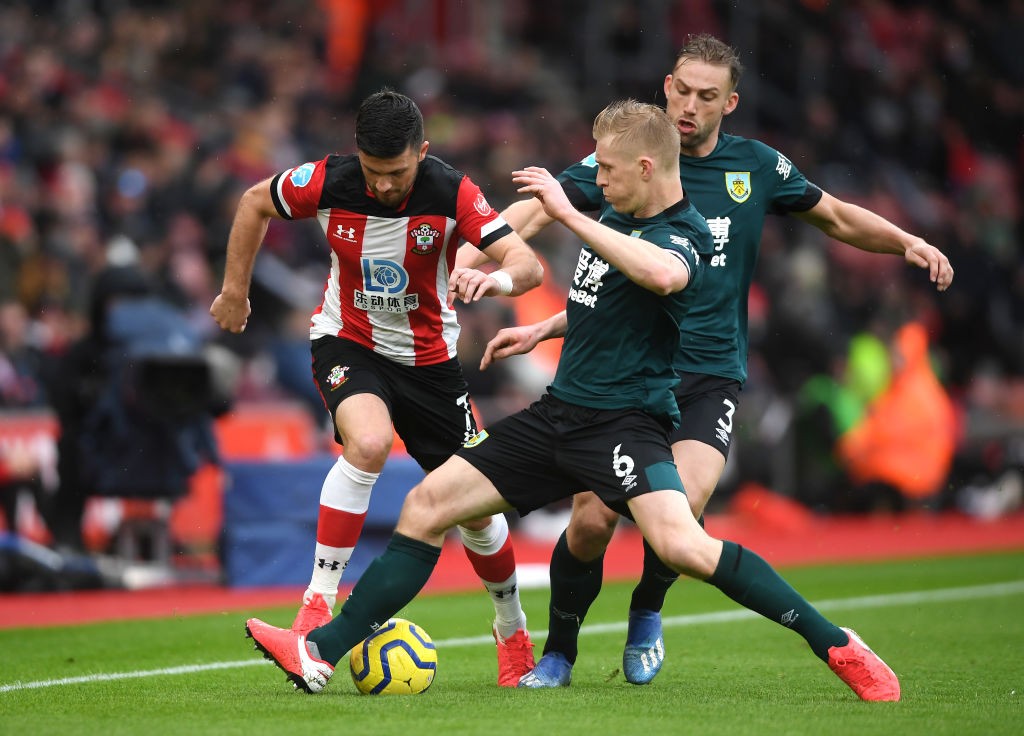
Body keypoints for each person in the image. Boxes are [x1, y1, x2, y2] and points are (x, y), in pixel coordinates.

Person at [244, 99, 902, 702]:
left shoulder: (686, 232)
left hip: (622, 425)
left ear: (647, 167)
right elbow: (608, 301)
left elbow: (664, 275)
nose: (596, 178)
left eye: (607, 168)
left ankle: (838, 645)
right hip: (557, 416)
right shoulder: (620, 213)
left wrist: (564, 212)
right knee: (426, 504)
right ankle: (318, 653)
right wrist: (544, 326)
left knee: (682, 547)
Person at [474, 32, 954, 688]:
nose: (689, 106)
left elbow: (837, 218)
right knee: (590, 520)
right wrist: (473, 257)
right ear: (665, 86)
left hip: (708, 373)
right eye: (681, 89)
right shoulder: (623, 160)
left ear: (730, 102)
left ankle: (647, 609)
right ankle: (560, 651)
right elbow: (534, 211)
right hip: (629, 377)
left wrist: (906, 242)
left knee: (684, 512)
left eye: (707, 96)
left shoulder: (755, 167)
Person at [210, 89, 545, 686]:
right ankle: (317, 603)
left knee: (474, 510)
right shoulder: (328, 181)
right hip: (348, 341)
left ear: (423, 151)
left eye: (397, 172)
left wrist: (491, 282)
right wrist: (235, 289)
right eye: (373, 171)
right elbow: (253, 201)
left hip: (429, 363)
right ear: (356, 155)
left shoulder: (452, 191)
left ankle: (512, 629)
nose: (385, 186)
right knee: (366, 444)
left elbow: (528, 264)